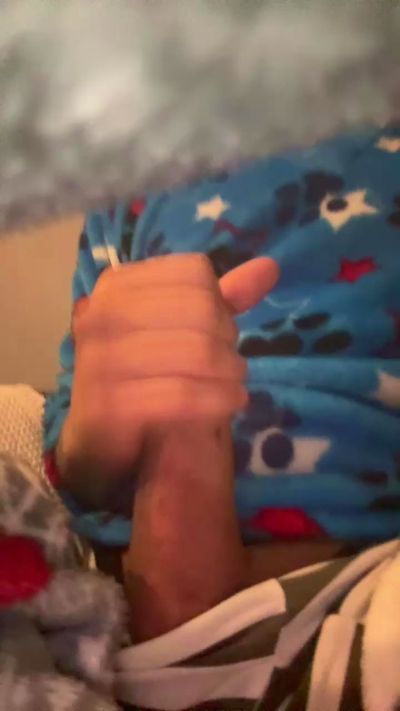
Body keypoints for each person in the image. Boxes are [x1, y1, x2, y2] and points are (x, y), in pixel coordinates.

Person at [40, 126, 400, 708]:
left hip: (373, 579)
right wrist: (94, 435)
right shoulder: (126, 182)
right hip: (132, 621)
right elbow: (67, 438)